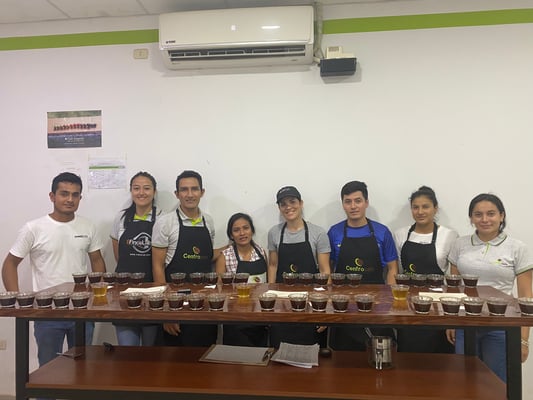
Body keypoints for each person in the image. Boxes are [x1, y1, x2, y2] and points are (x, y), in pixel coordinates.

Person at [1, 172, 106, 368]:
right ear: (52, 196)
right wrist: (17, 300)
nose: (70, 199)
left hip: (82, 309)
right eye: (64, 193)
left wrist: (98, 295)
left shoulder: (88, 226)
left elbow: (97, 260)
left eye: (75, 195)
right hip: (47, 311)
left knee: (83, 367)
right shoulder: (33, 228)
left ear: (80, 198)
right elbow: (10, 264)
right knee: (48, 369)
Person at [446, 193, 532, 382]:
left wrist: (523, 339)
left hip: (500, 325)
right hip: (465, 323)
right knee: (463, 380)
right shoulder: (460, 244)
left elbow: (526, 296)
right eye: (478, 214)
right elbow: (453, 287)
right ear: (471, 218)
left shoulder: (517, 248)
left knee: (496, 382)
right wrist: (451, 322)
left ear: (502, 216)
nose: (484, 219)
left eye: (491, 214)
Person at [327, 180, 398, 350]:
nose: (353, 206)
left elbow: (392, 269)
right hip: (343, 306)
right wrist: (330, 301)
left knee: (378, 358)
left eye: (358, 201)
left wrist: (390, 301)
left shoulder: (382, 232)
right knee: (342, 358)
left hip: (377, 306)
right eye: (348, 201)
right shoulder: (334, 232)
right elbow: (327, 269)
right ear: (343, 204)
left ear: (366, 202)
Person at [151, 170, 219, 346]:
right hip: (176, 305)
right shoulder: (165, 223)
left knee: (205, 356)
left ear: (202, 192)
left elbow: (207, 257)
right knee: (175, 359)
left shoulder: (209, 221)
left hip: (204, 303)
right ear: (177, 194)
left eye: (194, 189)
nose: (190, 194)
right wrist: (167, 311)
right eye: (184, 190)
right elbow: (157, 266)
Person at [393, 186, 458, 353]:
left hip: (438, 306)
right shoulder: (400, 234)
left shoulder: (449, 235)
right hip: (408, 305)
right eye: (415, 207)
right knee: (408, 355)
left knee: (439, 358)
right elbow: (397, 271)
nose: (420, 211)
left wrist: (452, 317)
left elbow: (454, 279)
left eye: (425, 206)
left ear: (435, 208)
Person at [267, 186, 331, 347]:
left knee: (311, 353)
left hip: (311, 303)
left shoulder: (318, 233)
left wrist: (325, 308)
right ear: (279, 208)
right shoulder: (274, 233)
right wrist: (270, 301)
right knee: (279, 351)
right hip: (282, 303)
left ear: (301, 203)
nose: (288, 207)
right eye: (283, 204)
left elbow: (325, 271)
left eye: (292, 201)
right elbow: (273, 265)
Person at [111, 171, 161, 346]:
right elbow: (118, 255)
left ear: (154, 191)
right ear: (131, 191)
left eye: (146, 188)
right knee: (127, 350)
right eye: (136, 188)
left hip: (153, 293)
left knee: (151, 352)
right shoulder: (120, 218)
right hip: (125, 292)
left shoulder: (163, 218)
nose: (141, 193)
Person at [216, 213, 269, 346]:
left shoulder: (261, 252)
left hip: (260, 315)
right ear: (231, 235)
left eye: (246, 228)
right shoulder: (225, 256)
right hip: (235, 318)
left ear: (252, 230)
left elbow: (267, 283)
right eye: (236, 230)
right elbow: (219, 290)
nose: (242, 233)